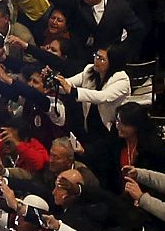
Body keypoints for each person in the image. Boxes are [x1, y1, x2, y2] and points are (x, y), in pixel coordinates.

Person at [56, 44, 131, 190]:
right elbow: (69, 83)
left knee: (105, 165)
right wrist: (55, 81)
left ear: (112, 62)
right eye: (96, 56)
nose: (96, 60)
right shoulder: (89, 70)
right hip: (90, 124)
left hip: (111, 130)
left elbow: (103, 97)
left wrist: (72, 90)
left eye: (101, 59)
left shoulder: (122, 79)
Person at [29, 0, 146, 61]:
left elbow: (138, 30)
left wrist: (120, 49)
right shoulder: (78, 0)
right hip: (78, 55)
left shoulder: (120, 8)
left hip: (108, 58)